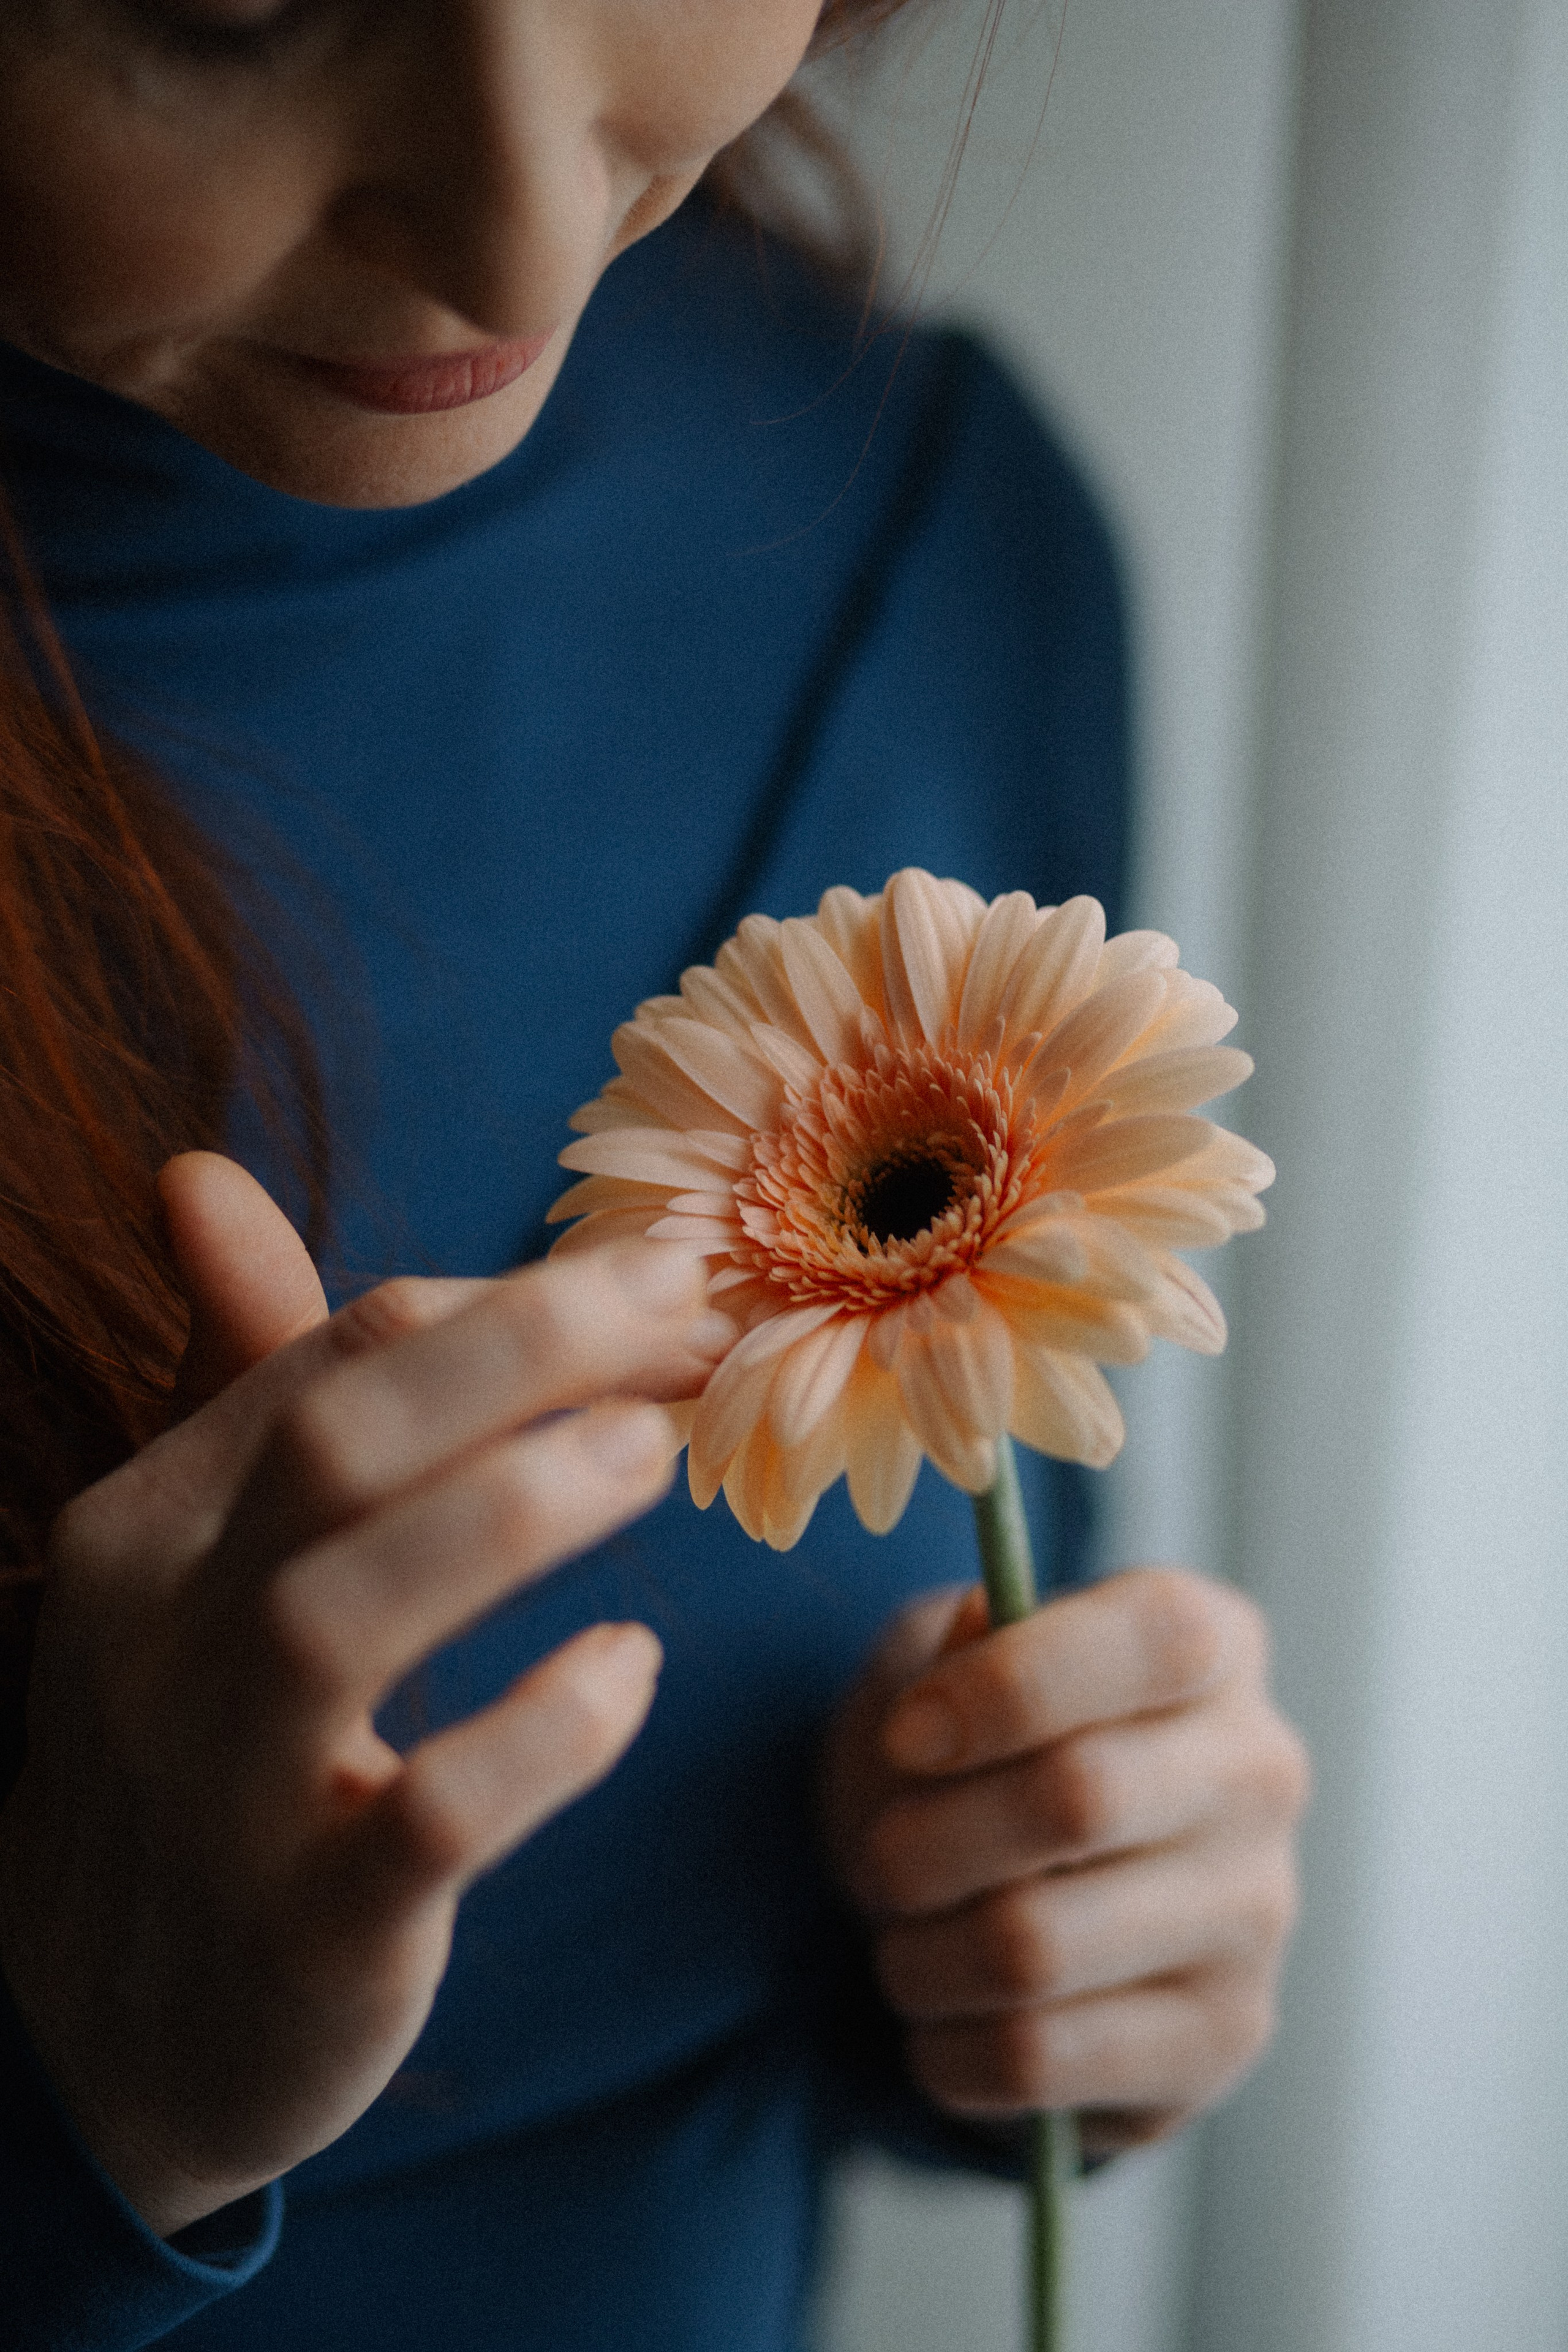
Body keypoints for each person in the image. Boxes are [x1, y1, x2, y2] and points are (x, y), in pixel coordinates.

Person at [0, 3, 1310, 2346]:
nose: (522, 235)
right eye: (237, 6)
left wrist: (1038, 1937)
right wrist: (68, 2113)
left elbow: (831, 1850)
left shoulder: (941, 532)